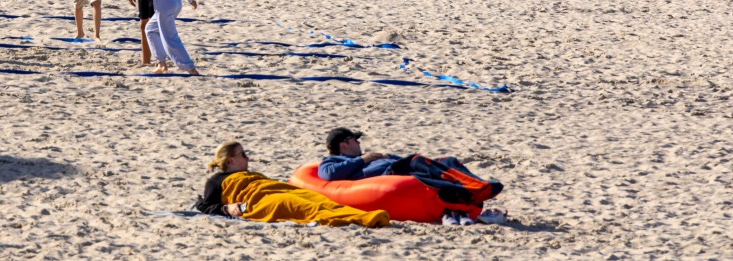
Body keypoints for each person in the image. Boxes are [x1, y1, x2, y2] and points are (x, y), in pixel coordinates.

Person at [318, 127, 503, 224]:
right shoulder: (331, 161)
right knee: (418, 161)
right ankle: (472, 189)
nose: (359, 143)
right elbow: (329, 175)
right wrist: (364, 159)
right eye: (355, 140)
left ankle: (478, 186)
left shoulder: (360, 157)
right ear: (344, 145)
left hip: (396, 167)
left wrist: (389, 157)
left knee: (448, 161)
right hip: (390, 174)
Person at [194, 141, 389, 228]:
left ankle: (361, 216)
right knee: (304, 207)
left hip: (272, 190)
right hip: (258, 202)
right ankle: (366, 219)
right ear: (230, 161)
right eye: (243, 154)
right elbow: (204, 205)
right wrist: (227, 208)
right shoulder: (216, 181)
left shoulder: (249, 174)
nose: (247, 157)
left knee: (316, 199)